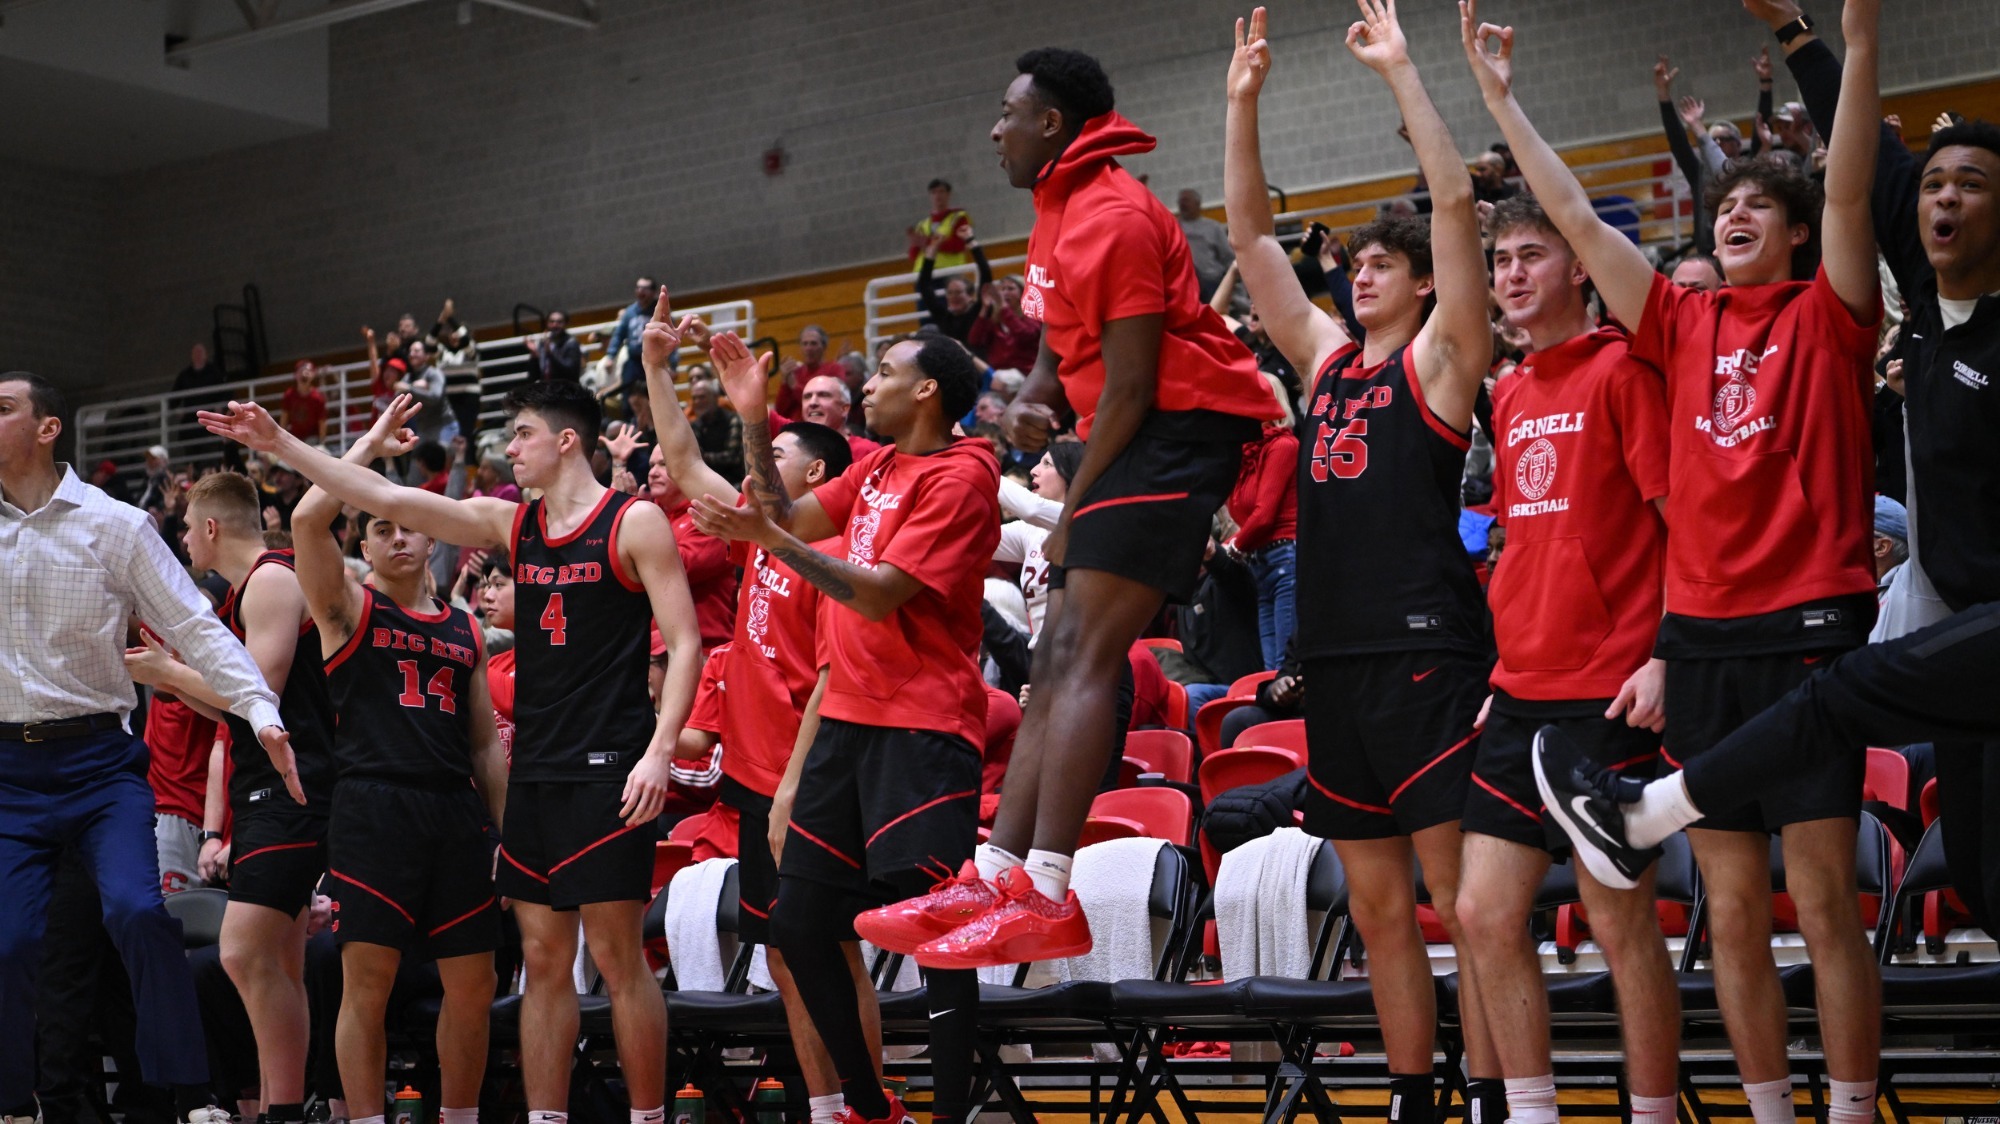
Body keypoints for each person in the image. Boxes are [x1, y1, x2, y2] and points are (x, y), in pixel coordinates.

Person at [1462, 5, 1886, 1124]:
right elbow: (1565, 215)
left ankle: (1847, 1107)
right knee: (1735, 912)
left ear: (1793, 232)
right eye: (1723, 202)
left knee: (1823, 902)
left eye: (1759, 203)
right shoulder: (1675, 321)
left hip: (1807, 628)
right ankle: (1765, 1109)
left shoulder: (1832, 313)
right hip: (1699, 641)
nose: (1736, 211)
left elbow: (1846, 187)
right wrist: (1500, 100)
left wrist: (1849, 32)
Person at [863, 42, 1281, 972]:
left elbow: (1131, 389)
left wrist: (1067, 508)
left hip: (1176, 433)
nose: (995, 128)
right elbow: (1064, 343)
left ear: (1051, 125)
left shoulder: (1118, 218)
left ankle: (1048, 891)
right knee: (1053, 650)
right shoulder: (1056, 209)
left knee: (1084, 648)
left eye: (1009, 113)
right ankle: (997, 872)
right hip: (1135, 433)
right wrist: (1038, 395)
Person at [199, 377, 704, 1124]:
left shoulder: (633, 523)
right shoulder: (510, 523)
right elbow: (391, 500)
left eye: (522, 434)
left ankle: (649, 1116)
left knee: (615, 957)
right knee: (538, 961)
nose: (510, 448)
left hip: (604, 768)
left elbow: (688, 642)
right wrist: (282, 445)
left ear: (565, 440)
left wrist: (660, 749)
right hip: (516, 780)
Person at [1226, 8, 1502, 1121]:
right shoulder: (1325, 365)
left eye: (1385, 264)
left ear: (1424, 282)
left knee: (1457, 900)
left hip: (1425, 656)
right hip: (1333, 663)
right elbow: (1250, 243)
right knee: (1382, 910)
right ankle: (1409, 1095)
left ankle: (1492, 1088)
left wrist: (1401, 76)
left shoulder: (1441, 363)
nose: (1363, 277)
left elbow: (1449, 207)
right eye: (1357, 267)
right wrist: (1241, 101)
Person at [685, 323, 997, 1124]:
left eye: (885, 372)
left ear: (927, 390)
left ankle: (952, 1114)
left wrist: (775, 541)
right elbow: (782, 509)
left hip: (922, 728)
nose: (870, 384)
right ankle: (869, 1105)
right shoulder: (879, 465)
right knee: (797, 924)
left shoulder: (961, 476)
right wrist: (754, 418)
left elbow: (882, 592)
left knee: (938, 932)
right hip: (847, 727)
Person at [1446, 195, 1684, 1124]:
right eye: (1500, 258)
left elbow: (1678, 530)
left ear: (1579, 268)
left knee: (1620, 920)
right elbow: (1525, 543)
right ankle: (1535, 1113)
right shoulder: (1505, 392)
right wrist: (1505, 664)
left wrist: (1665, 656)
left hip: (1610, 692)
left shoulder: (1626, 371)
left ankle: (1654, 1113)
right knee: (1480, 916)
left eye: (1530, 256)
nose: (1509, 274)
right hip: (1519, 692)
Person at [0, 371, 283, 1124]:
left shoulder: (115, 525)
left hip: (99, 765)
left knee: (135, 912)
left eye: (1, 409)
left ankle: (192, 1096)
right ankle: (13, 1103)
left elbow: (195, 624)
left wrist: (259, 707)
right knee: (9, 944)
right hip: (9, 773)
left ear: (48, 426)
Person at [639, 299, 872, 1124]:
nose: (752, 464)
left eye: (772, 452)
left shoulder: (832, 557)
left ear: (814, 475)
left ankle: (866, 1108)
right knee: (785, 959)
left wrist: (786, 795)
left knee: (831, 956)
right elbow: (678, 455)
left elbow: (831, 683)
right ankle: (826, 1107)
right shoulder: (752, 535)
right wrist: (659, 368)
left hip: (804, 785)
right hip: (751, 782)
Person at [284, 397, 508, 1124]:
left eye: (411, 525)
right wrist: (371, 444)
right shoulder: (346, 608)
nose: (399, 537)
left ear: (433, 540)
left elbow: (483, 743)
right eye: (382, 526)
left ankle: (461, 1114)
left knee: (474, 984)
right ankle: (368, 1117)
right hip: (374, 807)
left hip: (454, 810)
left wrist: (504, 834)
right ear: (367, 545)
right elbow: (305, 521)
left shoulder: (466, 626)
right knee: (367, 984)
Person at [127, 469, 341, 1124]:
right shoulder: (242, 593)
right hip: (264, 788)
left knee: (241, 951)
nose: (184, 540)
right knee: (279, 958)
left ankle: (287, 1105)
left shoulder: (273, 580)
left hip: (290, 788)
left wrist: (168, 670)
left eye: (188, 529)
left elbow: (259, 692)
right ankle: (282, 1108)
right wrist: (171, 681)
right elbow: (231, 713)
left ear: (212, 529)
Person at [1219, 395, 1298, 672]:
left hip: (1285, 560)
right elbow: (1246, 520)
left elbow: (1264, 516)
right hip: (1260, 564)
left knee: (1284, 668)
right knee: (1270, 670)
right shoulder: (1243, 457)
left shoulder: (1283, 446)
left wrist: (1230, 548)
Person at [780, 375, 883, 464]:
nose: (813, 402)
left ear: (844, 409)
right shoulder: (793, 452)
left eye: (823, 395)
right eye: (807, 397)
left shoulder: (869, 452)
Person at [916, 229, 993, 344]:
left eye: (958, 292)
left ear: (970, 295)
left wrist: (970, 240)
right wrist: (933, 249)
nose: (953, 297)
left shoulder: (977, 311)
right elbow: (924, 285)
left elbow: (985, 274)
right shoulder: (944, 317)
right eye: (950, 293)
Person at [966, 276, 1041, 373]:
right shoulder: (996, 319)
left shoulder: (1031, 314)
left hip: (1025, 373)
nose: (1005, 293)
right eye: (1002, 289)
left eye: (1010, 289)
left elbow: (1026, 334)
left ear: (1023, 292)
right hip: (999, 376)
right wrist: (985, 308)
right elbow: (975, 340)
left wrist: (1004, 307)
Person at [773, 327, 846, 422]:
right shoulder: (795, 372)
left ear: (824, 347)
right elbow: (780, 410)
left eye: (813, 343)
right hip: (795, 429)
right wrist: (784, 382)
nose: (809, 348)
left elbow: (825, 405)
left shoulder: (834, 369)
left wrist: (794, 386)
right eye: (805, 344)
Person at [1176, 189, 1236, 303]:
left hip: (1211, 281)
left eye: (1186, 201)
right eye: (1180, 202)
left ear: (1198, 204)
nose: (1183, 205)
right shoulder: (1175, 227)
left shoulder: (1213, 227)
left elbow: (1228, 257)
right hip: (1185, 282)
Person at [606, 276, 662, 394]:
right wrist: (611, 356)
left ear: (653, 292)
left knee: (653, 395)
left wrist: (673, 364)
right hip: (634, 361)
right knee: (629, 396)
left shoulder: (660, 311)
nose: (640, 291)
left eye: (645, 288)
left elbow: (671, 335)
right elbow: (618, 335)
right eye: (638, 288)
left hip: (654, 360)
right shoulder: (629, 312)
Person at [687, 375, 744, 484]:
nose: (697, 401)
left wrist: (704, 458)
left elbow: (734, 457)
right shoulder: (694, 425)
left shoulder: (732, 420)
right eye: (694, 398)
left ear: (715, 397)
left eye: (702, 397)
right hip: (705, 483)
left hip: (733, 482)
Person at [908, 178, 974, 269]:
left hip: (948, 272)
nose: (937, 195)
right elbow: (913, 256)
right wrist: (915, 243)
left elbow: (959, 246)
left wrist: (927, 242)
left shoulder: (958, 218)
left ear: (949, 194)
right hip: (924, 274)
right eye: (933, 192)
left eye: (941, 192)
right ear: (930, 196)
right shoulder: (922, 225)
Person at [524, 311, 584, 384]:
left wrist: (550, 354)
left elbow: (569, 372)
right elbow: (534, 376)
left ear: (566, 324)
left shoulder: (571, 343)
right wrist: (535, 355)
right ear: (547, 324)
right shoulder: (543, 343)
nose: (555, 325)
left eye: (559, 322)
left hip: (566, 389)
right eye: (551, 322)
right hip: (547, 389)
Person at [279, 362, 329, 444]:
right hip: (294, 437)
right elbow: (284, 418)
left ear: (313, 375)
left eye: (308, 371)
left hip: (312, 438)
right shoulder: (289, 395)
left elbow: (322, 422)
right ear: (295, 375)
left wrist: (322, 442)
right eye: (301, 370)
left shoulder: (318, 398)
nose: (304, 373)